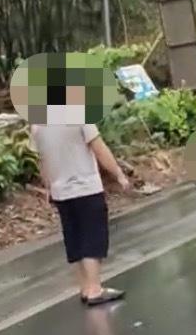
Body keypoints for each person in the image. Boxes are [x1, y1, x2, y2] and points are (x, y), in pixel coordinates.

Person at [31, 112, 130, 307]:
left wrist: (48, 186)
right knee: (93, 237)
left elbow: (43, 160)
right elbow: (99, 148)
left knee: (75, 237)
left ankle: (85, 287)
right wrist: (119, 174)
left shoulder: (38, 124)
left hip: (60, 191)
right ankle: (95, 289)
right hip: (86, 187)